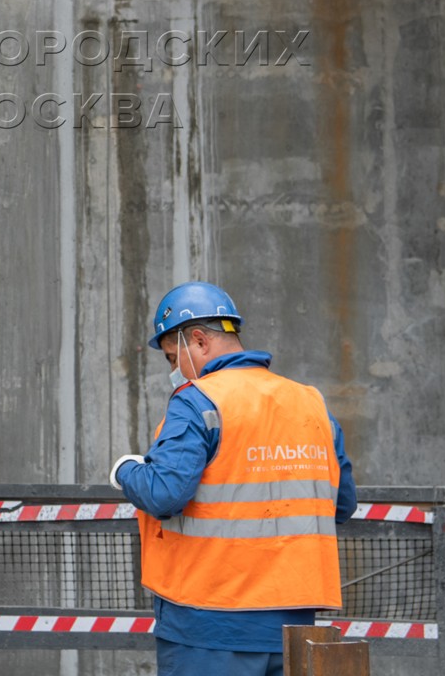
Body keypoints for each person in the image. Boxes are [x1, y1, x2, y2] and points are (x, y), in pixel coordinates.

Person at [109, 281, 356, 676]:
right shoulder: (311, 404)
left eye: (174, 358)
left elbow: (163, 494)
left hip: (209, 625)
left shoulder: (198, 401)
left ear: (200, 341)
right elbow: (341, 506)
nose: (175, 371)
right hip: (295, 628)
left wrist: (125, 470)